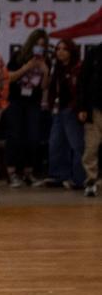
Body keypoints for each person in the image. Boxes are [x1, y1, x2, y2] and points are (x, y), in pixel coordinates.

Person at [1, 29, 50, 187]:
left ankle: (29, 172)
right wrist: (27, 67)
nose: (39, 48)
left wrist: (46, 71)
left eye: (43, 45)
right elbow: (8, 78)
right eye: (37, 44)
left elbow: (44, 87)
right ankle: (12, 172)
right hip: (15, 100)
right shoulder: (18, 56)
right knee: (14, 135)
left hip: (33, 103)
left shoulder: (46, 60)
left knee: (33, 137)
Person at [43, 39, 84, 190]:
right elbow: (52, 88)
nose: (60, 52)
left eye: (64, 49)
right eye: (58, 49)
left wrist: (78, 108)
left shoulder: (78, 68)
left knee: (76, 144)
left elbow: (81, 91)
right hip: (58, 109)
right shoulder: (57, 67)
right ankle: (59, 175)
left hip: (72, 110)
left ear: (71, 51)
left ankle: (79, 178)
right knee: (56, 143)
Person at [80, 42, 102, 197]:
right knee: (91, 146)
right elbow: (83, 81)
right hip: (94, 108)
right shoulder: (94, 53)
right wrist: (82, 107)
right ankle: (91, 180)